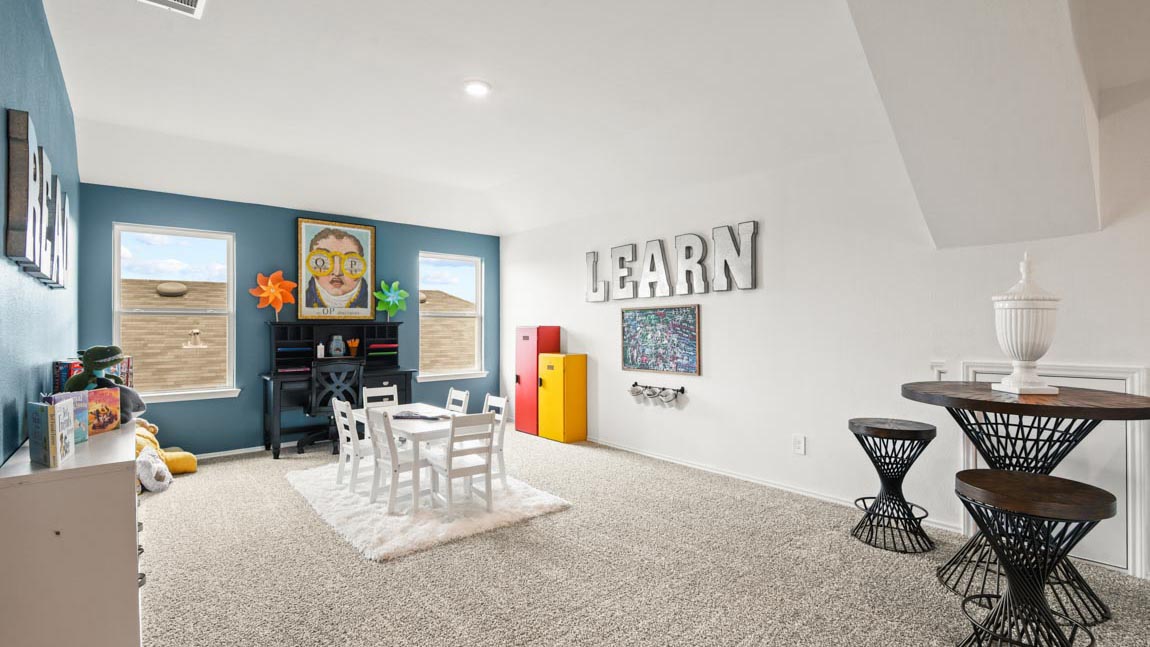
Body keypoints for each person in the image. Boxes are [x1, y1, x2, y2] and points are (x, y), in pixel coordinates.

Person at [303, 227, 369, 309]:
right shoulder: (306, 300)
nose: (337, 272)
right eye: (324, 260)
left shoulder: (369, 301)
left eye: (349, 262)